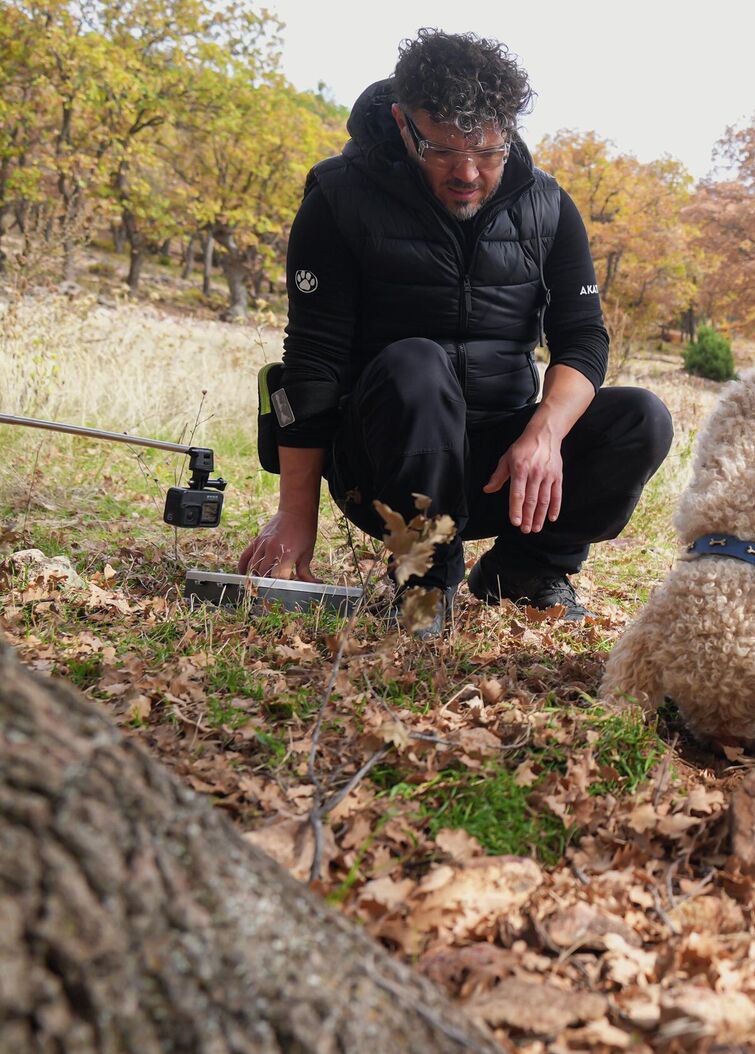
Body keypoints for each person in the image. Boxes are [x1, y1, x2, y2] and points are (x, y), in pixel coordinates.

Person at [238, 30, 673, 634]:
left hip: (502, 464)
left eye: (489, 151)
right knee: (415, 363)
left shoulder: (547, 204)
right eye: (442, 149)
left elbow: (584, 339)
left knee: (640, 418)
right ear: (402, 122)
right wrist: (294, 519)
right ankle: (423, 582)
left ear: (510, 132)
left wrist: (544, 432)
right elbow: (312, 363)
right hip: (383, 463)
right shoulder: (338, 197)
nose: (467, 173)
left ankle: (525, 570)